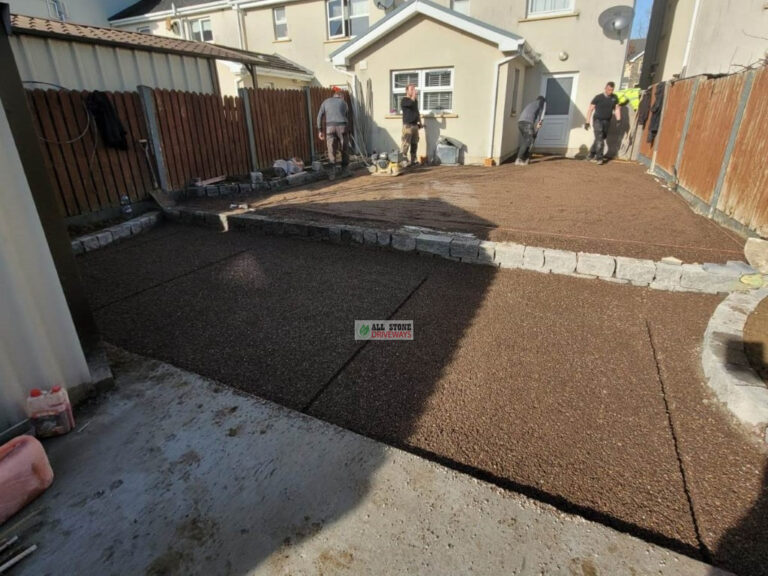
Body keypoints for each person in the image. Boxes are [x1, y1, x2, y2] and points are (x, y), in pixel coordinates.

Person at [585, 81, 621, 165]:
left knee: (600, 138)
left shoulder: (614, 98)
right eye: (608, 89)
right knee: (600, 138)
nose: (610, 92)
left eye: (612, 90)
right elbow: (590, 109)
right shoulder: (598, 97)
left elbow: (617, 109)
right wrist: (587, 122)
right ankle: (599, 158)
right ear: (605, 88)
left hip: (607, 121)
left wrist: (619, 119)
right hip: (597, 120)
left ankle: (590, 155)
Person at [317, 86, 349, 178]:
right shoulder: (344, 103)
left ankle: (332, 173)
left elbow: (319, 116)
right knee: (344, 149)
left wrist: (320, 130)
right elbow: (346, 116)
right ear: (341, 96)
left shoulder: (325, 102)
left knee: (331, 149)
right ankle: (345, 171)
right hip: (342, 127)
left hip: (329, 128)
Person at [515, 96, 546, 166]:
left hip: (520, 123)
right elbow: (542, 114)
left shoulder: (532, 104)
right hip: (527, 123)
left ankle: (524, 158)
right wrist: (540, 122)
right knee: (529, 140)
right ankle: (519, 159)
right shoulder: (541, 102)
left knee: (527, 140)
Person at [400, 84, 422, 166]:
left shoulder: (415, 100)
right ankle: (403, 160)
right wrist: (413, 96)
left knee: (414, 143)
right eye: (411, 89)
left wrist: (420, 123)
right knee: (406, 143)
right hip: (408, 126)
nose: (414, 91)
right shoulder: (404, 100)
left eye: (414, 89)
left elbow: (417, 112)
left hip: (415, 125)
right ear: (407, 91)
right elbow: (410, 104)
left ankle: (413, 160)